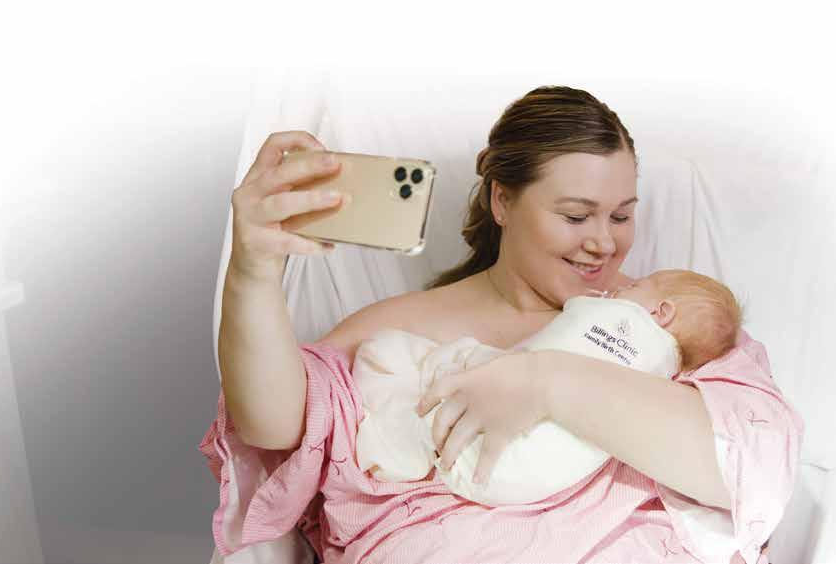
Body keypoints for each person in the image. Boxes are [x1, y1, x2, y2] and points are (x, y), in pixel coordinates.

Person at [201, 85, 803, 564]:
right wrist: (253, 271)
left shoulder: (672, 327)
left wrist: (546, 382)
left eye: (621, 216)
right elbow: (273, 426)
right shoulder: (397, 329)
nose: (603, 242)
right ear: (502, 202)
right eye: (576, 216)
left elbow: (748, 467)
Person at [353, 270, 742, 507]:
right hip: (520, 484)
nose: (621, 288)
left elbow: (578, 321)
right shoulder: (664, 377)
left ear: (661, 312)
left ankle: (402, 441)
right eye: (575, 215)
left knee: (408, 360)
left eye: (636, 285)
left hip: (484, 442)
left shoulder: (614, 318)